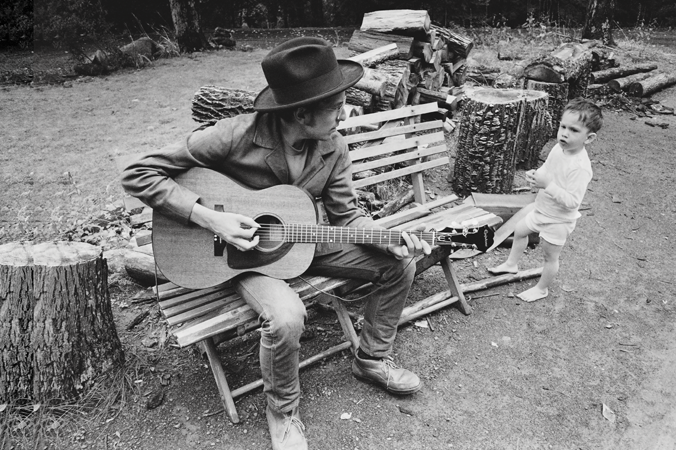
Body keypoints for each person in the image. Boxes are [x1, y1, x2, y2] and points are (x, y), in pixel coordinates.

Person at [121, 37, 430, 450]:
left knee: (400, 265)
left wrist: (386, 239)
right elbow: (138, 173)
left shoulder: (333, 146)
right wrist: (211, 217)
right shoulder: (233, 136)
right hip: (236, 257)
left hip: (303, 241)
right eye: (336, 107)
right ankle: (282, 413)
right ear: (301, 113)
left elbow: (346, 216)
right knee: (286, 316)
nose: (345, 112)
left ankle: (371, 358)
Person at [488, 98, 603, 302]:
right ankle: (511, 264)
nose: (565, 133)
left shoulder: (580, 167)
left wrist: (548, 185)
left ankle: (542, 288)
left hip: (558, 220)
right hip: (541, 209)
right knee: (520, 231)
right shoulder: (558, 149)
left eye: (574, 130)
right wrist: (536, 175)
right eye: (563, 126)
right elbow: (547, 169)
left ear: (589, 138)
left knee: (550, 256)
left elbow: (572, 202)